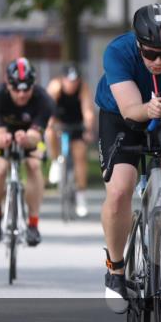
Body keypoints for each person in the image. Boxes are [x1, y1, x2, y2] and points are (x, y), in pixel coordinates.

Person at [96, 4, 161, 313]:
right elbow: (131, 109)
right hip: (121, 116)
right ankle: (116, 270)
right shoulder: (118, 51)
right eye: (150, 53)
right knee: (119, 189)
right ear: (137, 44)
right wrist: (149, 109)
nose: (158, 61)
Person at [0, 57, 54, 247]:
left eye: (26, 88)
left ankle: (33, 224)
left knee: (33, 165)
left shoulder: (44, 100)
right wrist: (3, 138)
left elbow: (37, 135)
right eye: (16, 89)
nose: (22, 94)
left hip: (30, 136)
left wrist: (27, 138)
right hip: (2, 134)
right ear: (8, 85)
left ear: (34, 85)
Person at [46, 64, 96, 217]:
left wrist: (88, 129)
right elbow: (47, 109)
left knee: (80, 155)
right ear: (63, 79)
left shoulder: (83, 88)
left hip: (76, 123)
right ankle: (55, 161)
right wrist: (50, 123)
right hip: (59, 121)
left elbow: (88, 111)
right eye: (69, 81)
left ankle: (81, 195)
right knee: (49, 132)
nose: (72, 85)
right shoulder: (55, 87)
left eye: (75, 82)